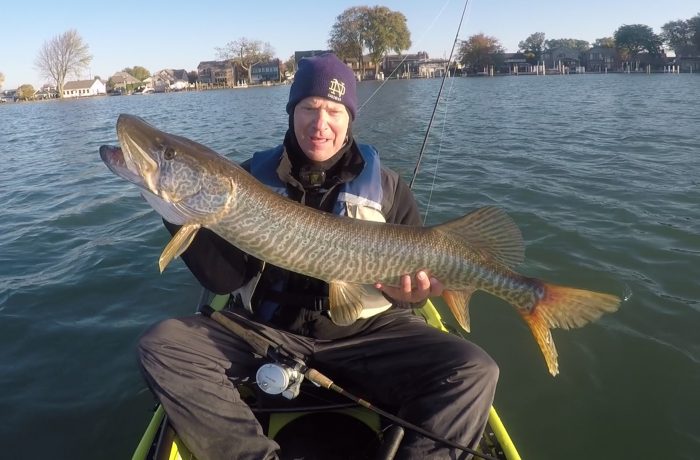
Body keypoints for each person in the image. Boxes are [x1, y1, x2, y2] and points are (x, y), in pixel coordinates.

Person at [138, 53, 498, 459]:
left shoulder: (389, 188)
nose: (320, 123)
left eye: (334, 110)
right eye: (309, 107)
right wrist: (175, 212)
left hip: (367, 336)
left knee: (474, 369)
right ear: (292, 111)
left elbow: (404, 287)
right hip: (266, 331)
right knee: (162, 345)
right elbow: (223, 281)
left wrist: (410, 296)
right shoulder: (246, 180)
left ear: (350, 118)